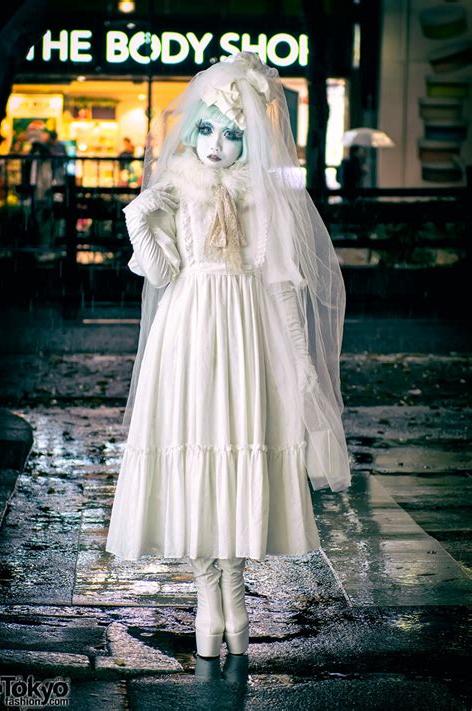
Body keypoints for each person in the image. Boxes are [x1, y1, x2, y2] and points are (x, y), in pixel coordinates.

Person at [105, 51, 351, 661]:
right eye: (208, 130)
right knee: (192, 448)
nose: (217, 145)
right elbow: (162, 272)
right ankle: (206, 599)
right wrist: (142, 219)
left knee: (235, 445)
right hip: (187, 332)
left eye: (233, 133)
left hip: (245, 334)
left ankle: (233, 597)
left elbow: (282, 286)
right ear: (193, 134)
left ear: (252, 139)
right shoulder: (180, 191)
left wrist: (301, 368)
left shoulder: (263, 200)